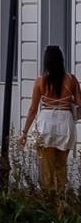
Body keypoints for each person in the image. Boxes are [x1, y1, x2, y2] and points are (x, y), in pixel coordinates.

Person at [22, 45, 80, 192]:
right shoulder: (72, 80)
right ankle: (61, 201)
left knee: (46, 168)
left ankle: (48, 202)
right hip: (65, 123)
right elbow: (80, 103)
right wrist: (70, 100)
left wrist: (24, 132)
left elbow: (33, 110)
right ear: (61, 60)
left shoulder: (40, 82)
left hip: (46, 123)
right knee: (61, 166)